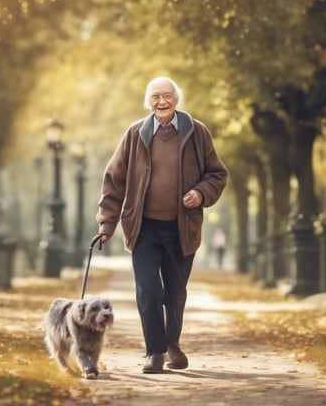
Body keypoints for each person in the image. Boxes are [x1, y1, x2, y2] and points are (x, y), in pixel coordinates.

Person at [96, 76, 228, 373]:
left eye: (167, 95)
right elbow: (114, 182)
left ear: (176, 99)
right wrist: (107, 225)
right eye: (155, 96)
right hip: (143, 228)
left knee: (175, 292)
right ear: (148, 102)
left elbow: (217, 174)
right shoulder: (135, 134)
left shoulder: (197, 132)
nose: (162, 101)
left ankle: (172, 345)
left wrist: (200, 193)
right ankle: (154, 351)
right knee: (148, 290)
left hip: (182, 228)